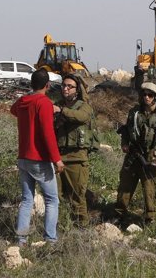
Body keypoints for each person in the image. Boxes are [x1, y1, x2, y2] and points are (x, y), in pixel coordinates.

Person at [11, 69, 65, 246]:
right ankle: (50, 239)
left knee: (27, 199)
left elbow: (13, 109)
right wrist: (56, 159)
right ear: (48, 85)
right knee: (52, 199)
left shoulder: (23, 101)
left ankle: (22, 239)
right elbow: (47, 133)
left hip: (23, 158)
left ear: (31, 84)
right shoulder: (44, 103)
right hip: (39, 159)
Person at [115, 82, 156, 226]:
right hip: (133, 156)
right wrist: (124, 144)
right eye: (144, 94)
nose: (146, 97)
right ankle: (119, 216)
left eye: (150, 95)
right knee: (125, 187)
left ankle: (149, 219)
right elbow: (126, 131)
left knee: (149, 190)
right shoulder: (134, 113)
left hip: (150, 159)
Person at [52, 74, 93, 227]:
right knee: (59, 195)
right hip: (58, 156)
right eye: (63, 85)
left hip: (77, 157)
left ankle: (82, 227)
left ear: (77, 90)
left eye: (70, 86)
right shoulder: (58, 104)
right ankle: (63, 224)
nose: (66, 89)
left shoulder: (84, 106)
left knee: (77, 195)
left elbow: (81, 117)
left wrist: (61, 111)